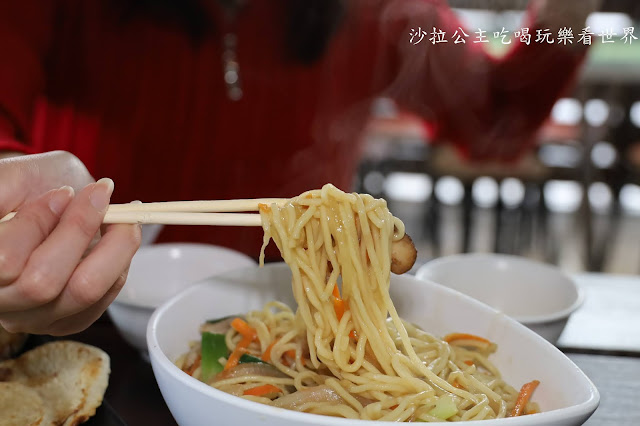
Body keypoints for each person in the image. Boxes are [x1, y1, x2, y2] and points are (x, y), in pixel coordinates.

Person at [0, 0, 598, 334]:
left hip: (301, 329)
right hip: (86, 330)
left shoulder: (380, 11)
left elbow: (500, 115)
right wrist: (17, 198)